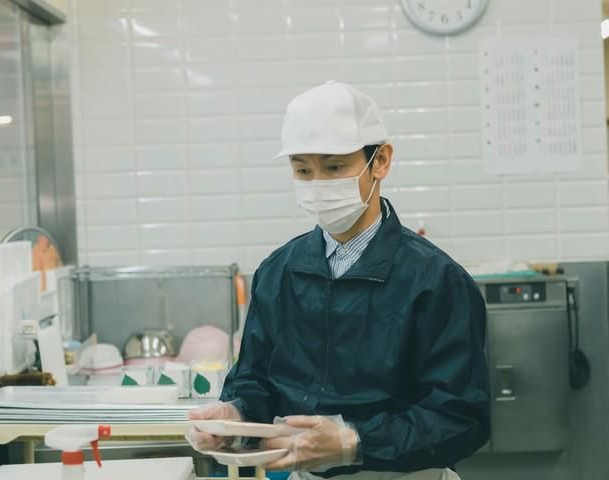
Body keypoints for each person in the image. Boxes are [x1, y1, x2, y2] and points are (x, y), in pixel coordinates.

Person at [187, 81, 490, 480]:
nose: (317, 185)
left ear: (380, 161)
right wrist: (235, 415)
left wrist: (355, 442)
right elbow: (256, 381)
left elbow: (462, 418)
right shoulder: (278, 273)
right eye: (302, 170)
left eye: (333, 168)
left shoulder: (436, 281)